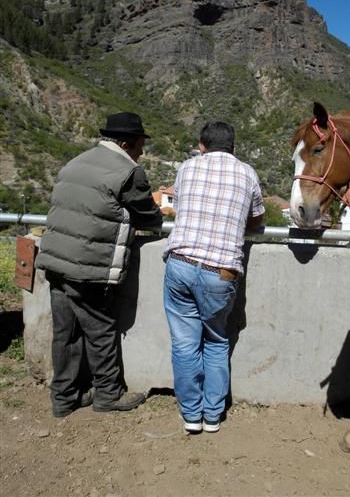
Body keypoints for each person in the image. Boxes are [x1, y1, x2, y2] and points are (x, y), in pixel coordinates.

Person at [35, 112, 162, 417]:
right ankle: (107, 394)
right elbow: (149, 217)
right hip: (89, 266)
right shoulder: (129, 173)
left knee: (66, 333)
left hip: (55, 261)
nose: (141, 152)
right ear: (124, 143)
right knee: (101, 330)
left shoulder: (75, 162)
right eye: (139, 145)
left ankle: (64, 398)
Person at [163, 121, 264, 433]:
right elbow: (257, 220)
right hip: (221, 271)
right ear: (233, 147)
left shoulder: (187, 168)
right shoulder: (248, 173)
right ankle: (212, 416)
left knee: (184, 345)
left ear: (201, 146)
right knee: (217, 341)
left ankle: (191, 416)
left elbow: (179, 207)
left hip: (180, 263)